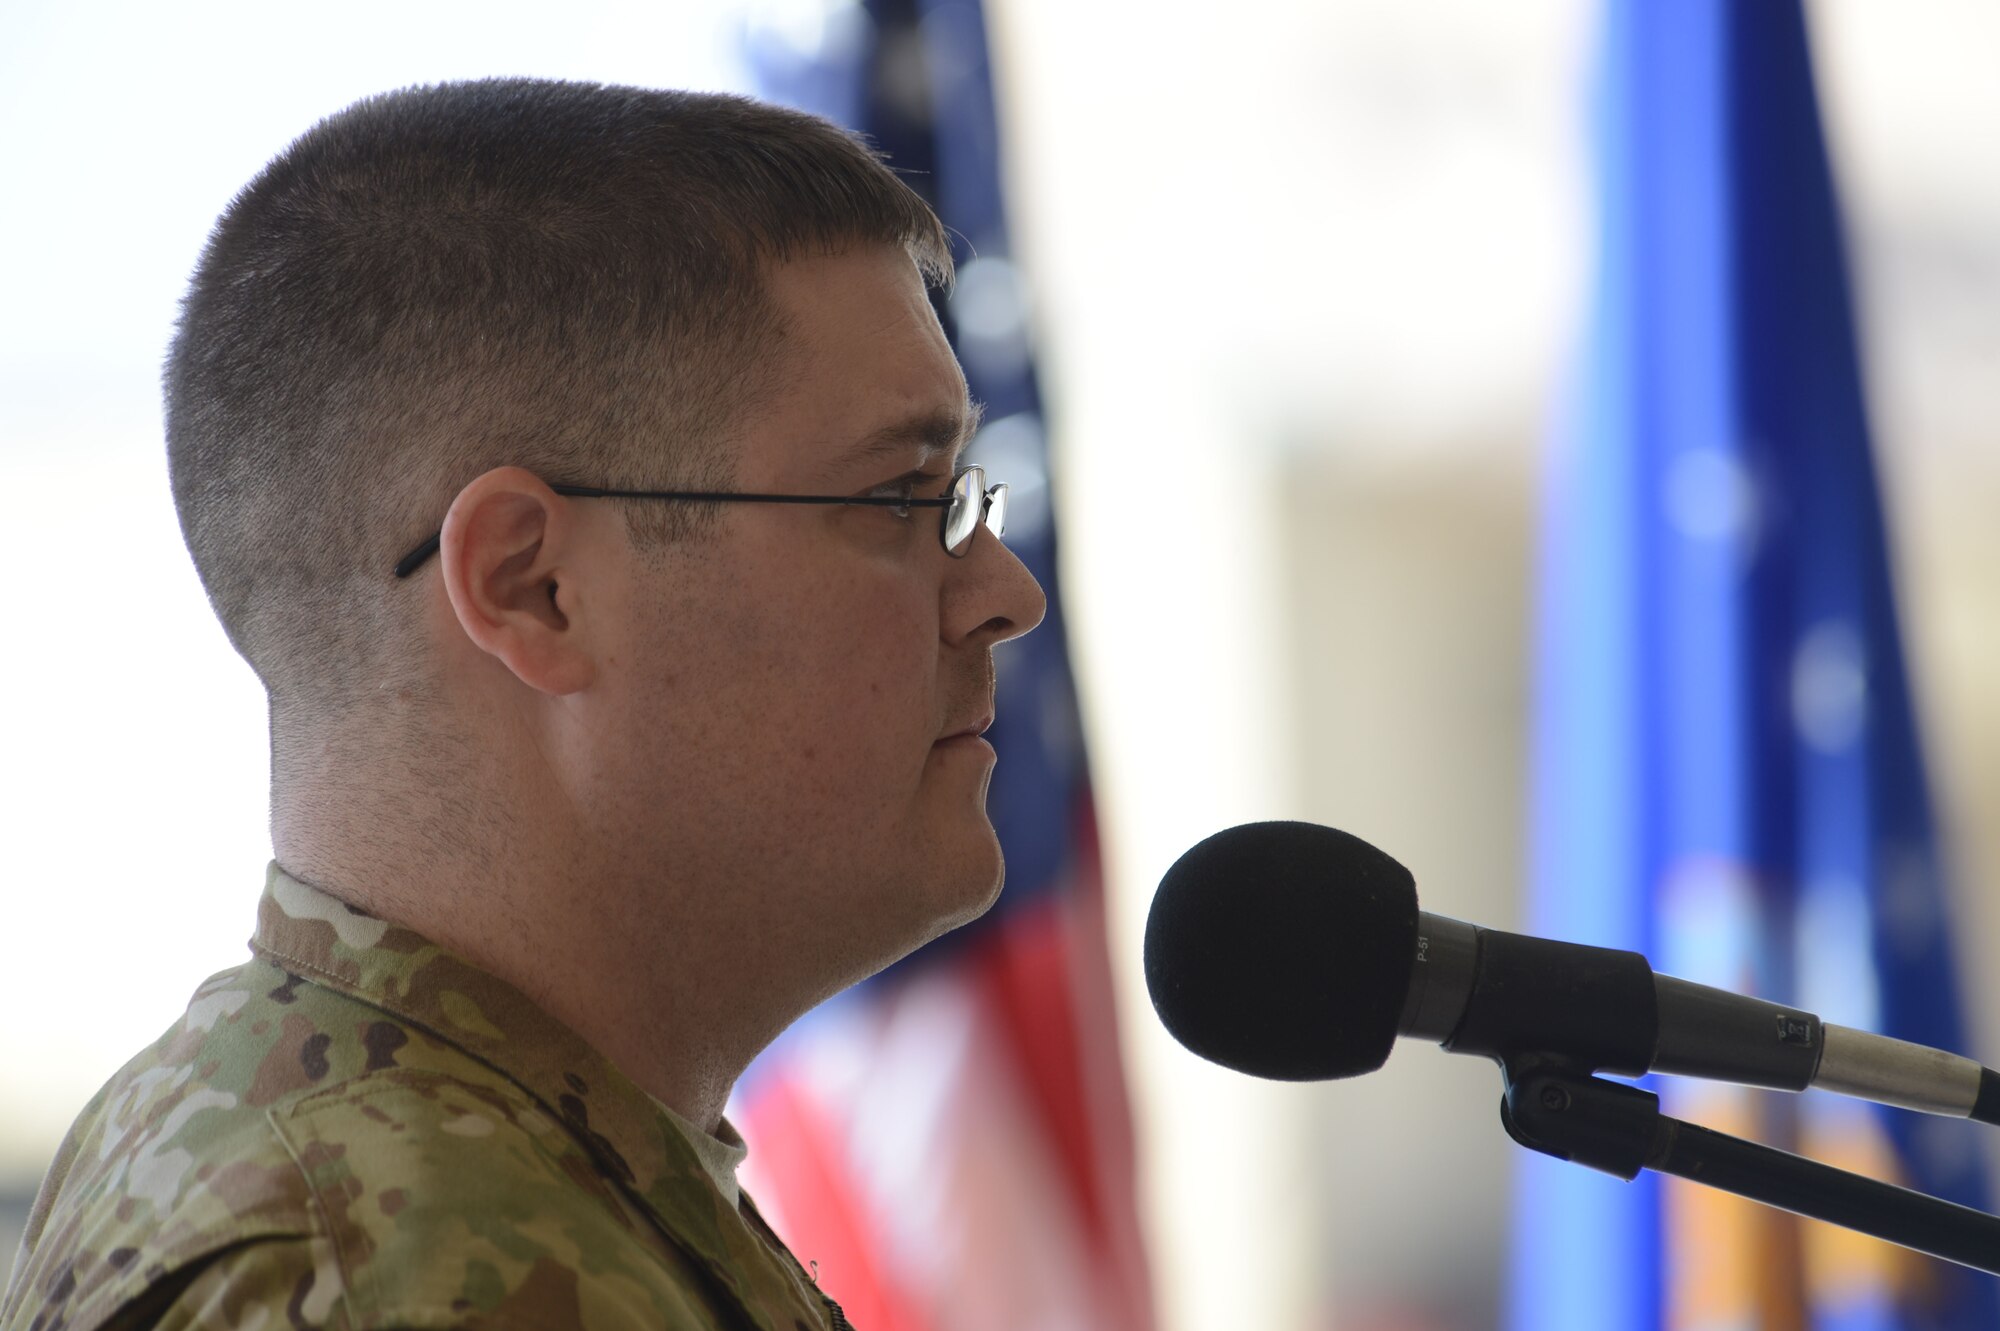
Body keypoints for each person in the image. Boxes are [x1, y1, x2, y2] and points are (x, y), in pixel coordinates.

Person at [1, 77, 1044, 1331]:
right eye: (897, 498)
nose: (1002, 592)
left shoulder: (403, 1154)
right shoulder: (399, 1270)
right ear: (532, 585)